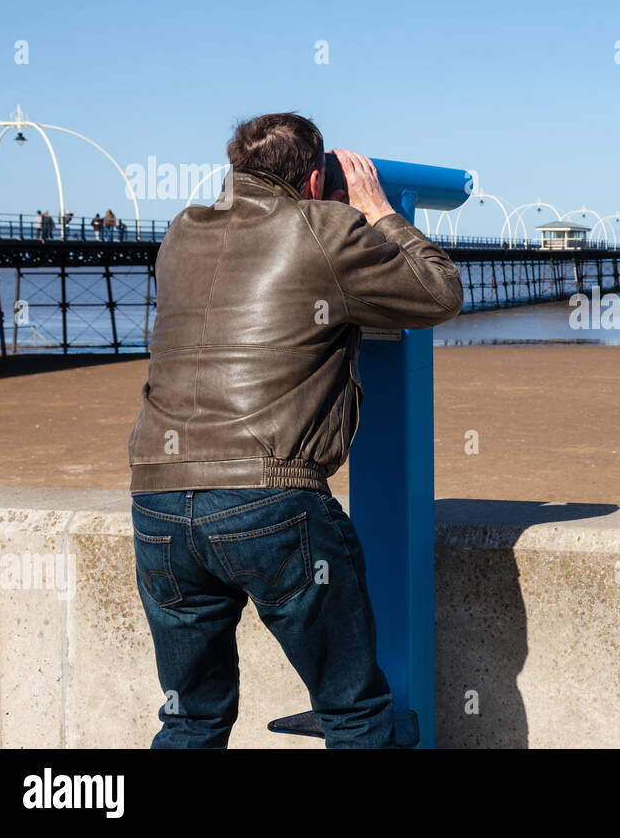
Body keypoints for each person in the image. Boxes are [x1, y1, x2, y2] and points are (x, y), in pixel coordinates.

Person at [127, 112, 462, 748]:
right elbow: (438, 292)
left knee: (190, 717)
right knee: (355, 713)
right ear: (313, 180)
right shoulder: (323, 228)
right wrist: (376, 211)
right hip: (269, 500)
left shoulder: (180, 233)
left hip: (160, 502)